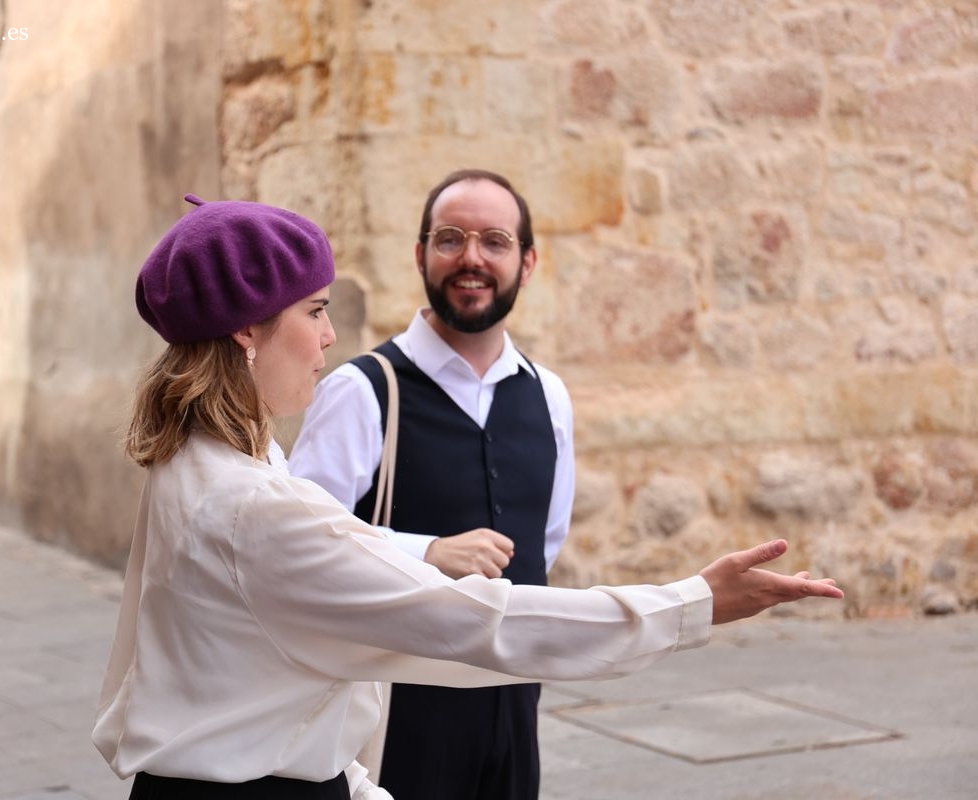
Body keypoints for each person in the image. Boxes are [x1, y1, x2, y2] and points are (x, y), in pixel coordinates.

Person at [92, 192, 843, 800]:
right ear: (247, 330)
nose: (328, 336)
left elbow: (262, 669)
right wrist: (689, 603)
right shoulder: (249, 499)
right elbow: (481, 619)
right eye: (314, 310)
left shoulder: (205, 462)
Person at [287, 169, 568, 799]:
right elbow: (296, 557)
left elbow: (544, 548)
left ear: (527, 263)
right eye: (450, 239)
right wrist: (427, 551)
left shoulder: (550, 398)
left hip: (513, 710)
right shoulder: (362, 391)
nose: (472, 258)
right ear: (420, 255)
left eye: (495, 241)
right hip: (395, 718)